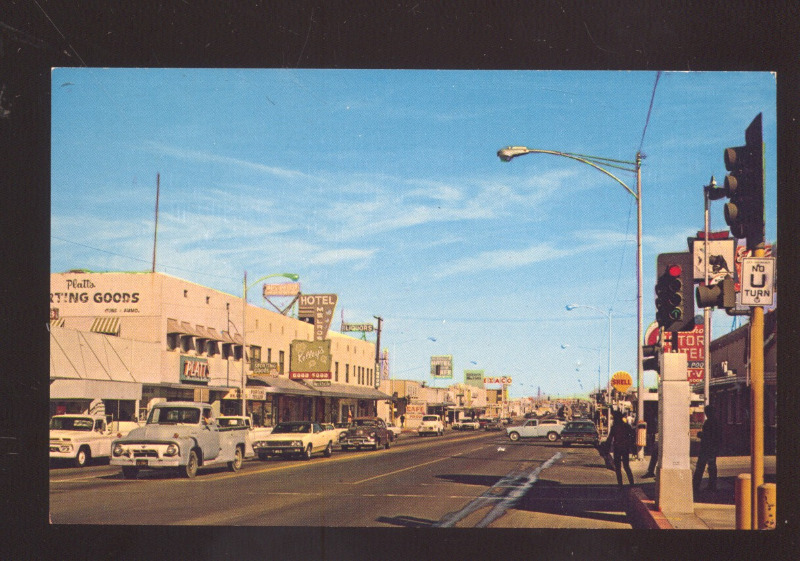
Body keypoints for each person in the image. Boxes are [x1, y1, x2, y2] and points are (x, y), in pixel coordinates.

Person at [693, 405, 720, 493]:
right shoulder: (715, 422)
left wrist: (700, 434)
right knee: (711, 467)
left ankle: (696, 486)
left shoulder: (709, 422)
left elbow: (709, 435)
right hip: (712, 447)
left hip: (706, 447)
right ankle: (712, 485)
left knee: (701, 466)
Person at [605, 409, 635, 487]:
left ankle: (620, 485)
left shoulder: (614, 427)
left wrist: (606, 449)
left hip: (617, 448)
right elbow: (632, 436)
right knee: (626, 466)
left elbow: (610, 439)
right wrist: (632, 447)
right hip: (625, 448)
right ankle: (632, 483)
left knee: (618, 468)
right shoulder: (626, 426)